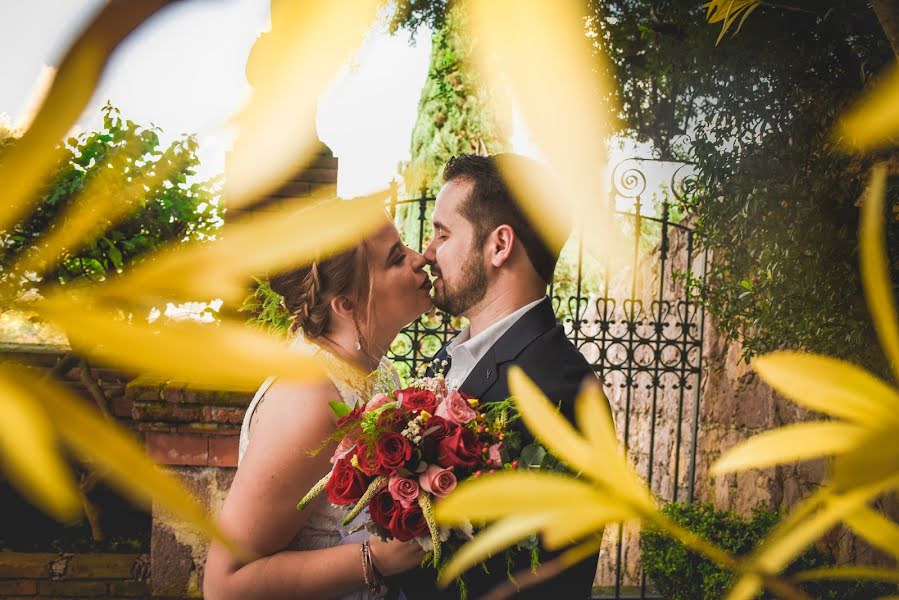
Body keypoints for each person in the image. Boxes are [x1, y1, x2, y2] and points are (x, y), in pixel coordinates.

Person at [398, 154, 601, 599]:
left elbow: (553, 578)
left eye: (443, 234)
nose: (429, 253)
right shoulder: (447, 358)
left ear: (499, 245)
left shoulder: (560, 387)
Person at [204, 215, 434, 600]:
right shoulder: (307, 399)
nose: (420, 258)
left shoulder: (380, 373)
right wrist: (374, 559)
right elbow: (225, 584)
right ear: (346, 303)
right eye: (396, 258)